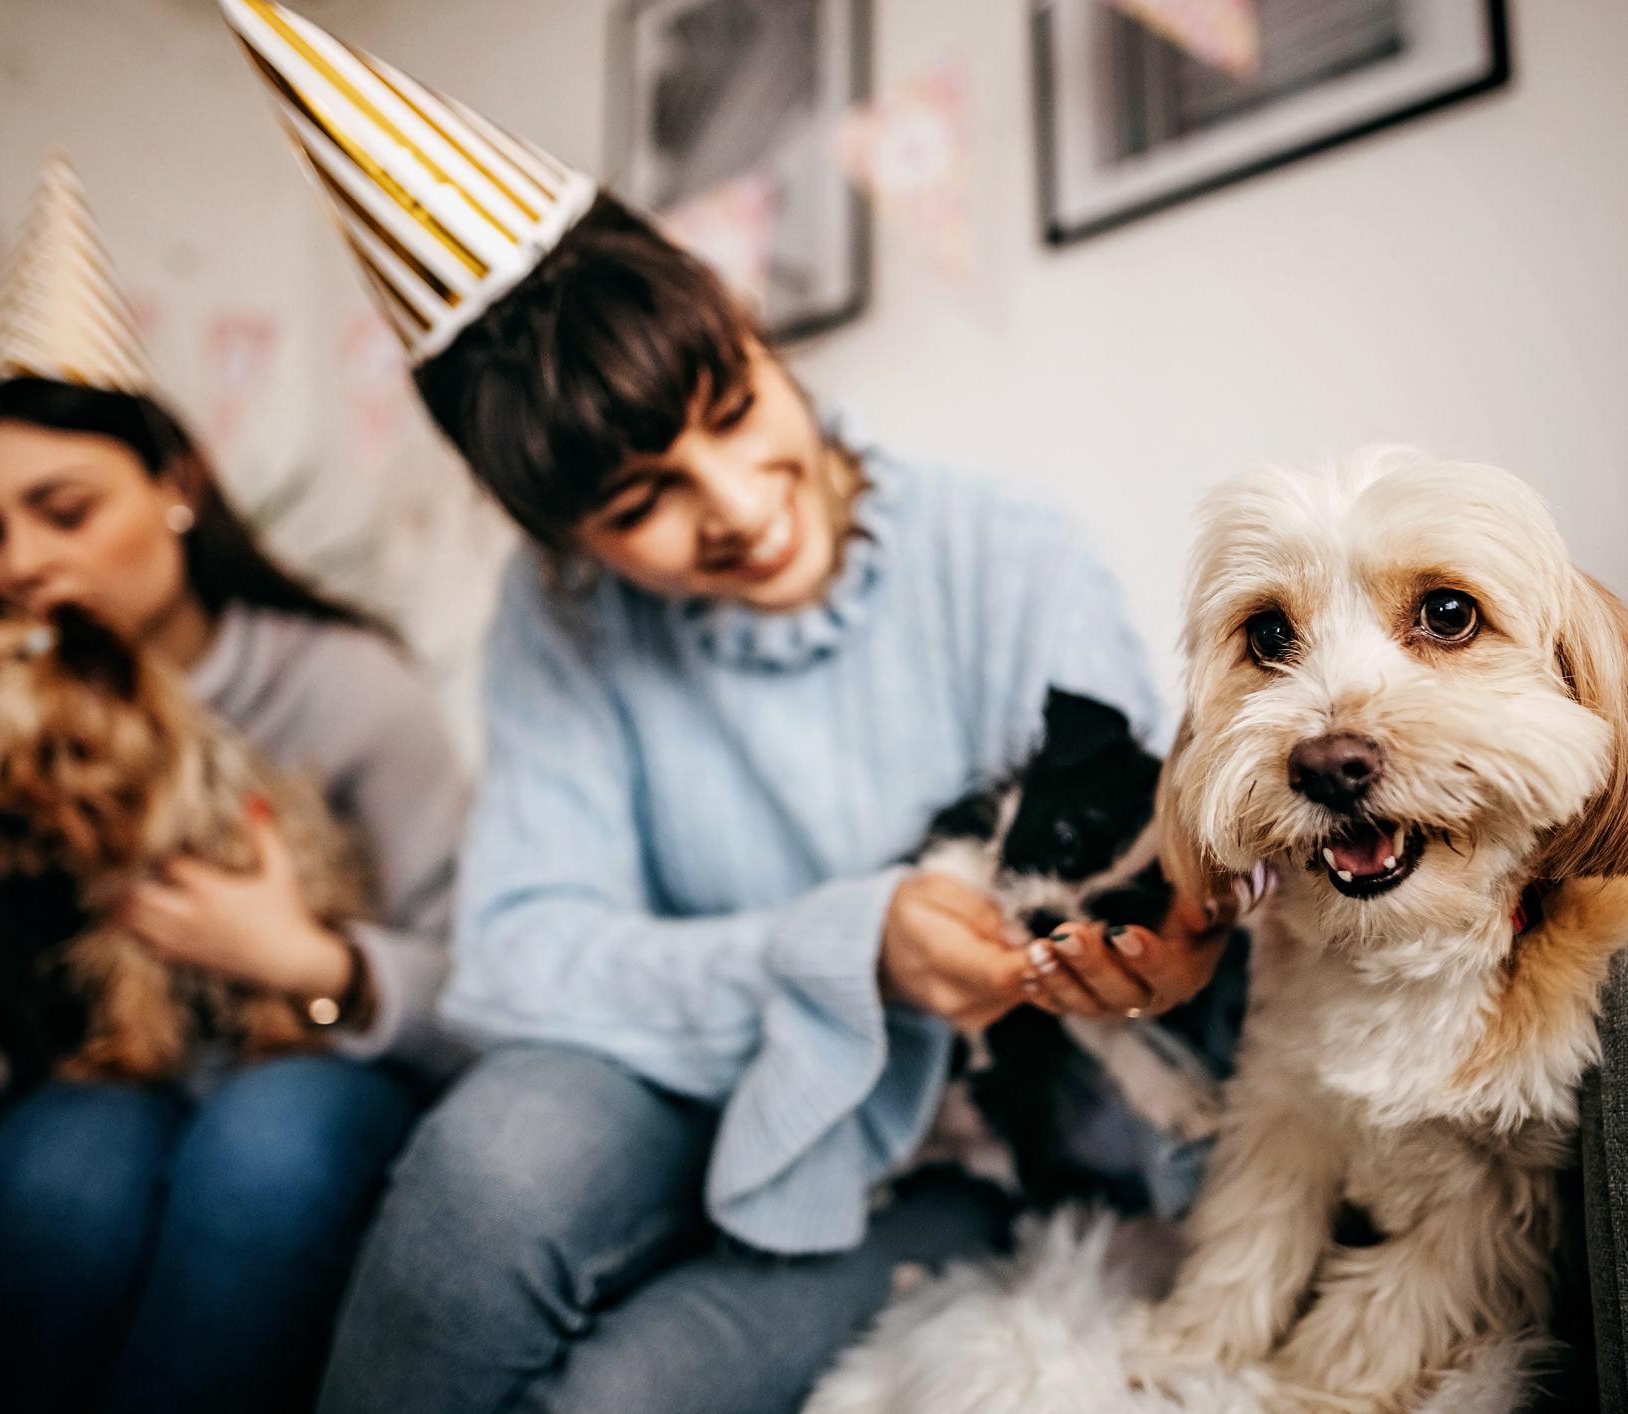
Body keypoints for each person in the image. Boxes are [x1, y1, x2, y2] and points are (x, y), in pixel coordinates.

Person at [219, 5, 1236, 1411]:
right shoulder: (563, 617)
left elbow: (1131, 868)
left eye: (736, 402)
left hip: (951, 1146)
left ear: (752, 328)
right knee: (481, 1177)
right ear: (565, 538)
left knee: (621, 1398)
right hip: (686, 1088)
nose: (742, 506)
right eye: (641, 504)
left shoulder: (1009, 550)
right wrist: (841, 946)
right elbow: (520, 956)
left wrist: (1156, 948)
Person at [0, 157, 471, 1414]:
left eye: (60, 509)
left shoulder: (347, 689)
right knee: (60, 1160)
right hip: (112, 1074)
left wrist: (312, 959)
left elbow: (495, 970)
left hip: (317, 1077)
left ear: (176, 485)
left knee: (267, 1147)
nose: (21, 562)